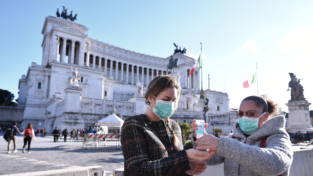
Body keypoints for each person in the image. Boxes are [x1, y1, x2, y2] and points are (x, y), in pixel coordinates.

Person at [121, 75, 212, 176]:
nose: (170, 105)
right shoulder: (134, 124)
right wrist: (184, 157)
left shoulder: (175, 126)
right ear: (150, 98)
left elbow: (172, 168)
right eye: (166, 99)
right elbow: (139, 171)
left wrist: (186, 171)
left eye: (173, 101)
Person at [191, 96, 293, 176]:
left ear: (265, 116)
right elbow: (210, 159)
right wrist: (201, 139)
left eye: (251, 114)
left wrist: (222, 144)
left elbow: (276, 164)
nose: (244, 118)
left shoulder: (277, 137)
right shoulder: (233, 138)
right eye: (240, 113)